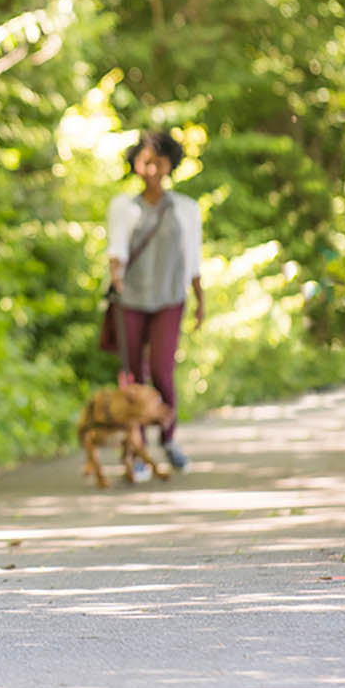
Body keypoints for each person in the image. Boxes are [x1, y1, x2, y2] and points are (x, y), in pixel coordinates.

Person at [105, 128, 205, 476]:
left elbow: (193, 258)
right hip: (130, 298)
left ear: (169, 165)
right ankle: (138, 449)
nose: (151, 169)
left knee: (162, 371)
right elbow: (116, 249)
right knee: (132, 377)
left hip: (169, 298)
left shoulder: (185, 209)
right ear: (135, 165)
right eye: (145, 162)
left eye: (158, 162)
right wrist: (116, 276)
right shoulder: (123, 207)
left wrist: (200, 299)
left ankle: (168, 437)